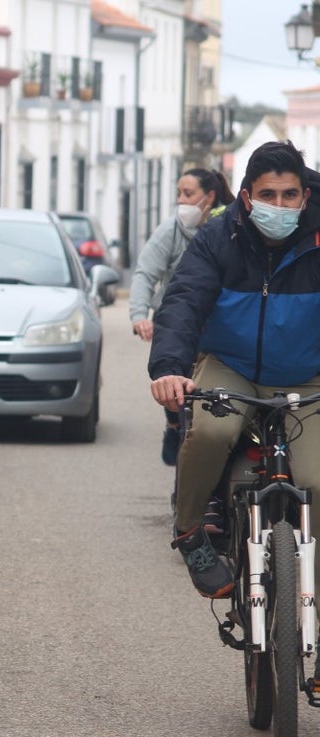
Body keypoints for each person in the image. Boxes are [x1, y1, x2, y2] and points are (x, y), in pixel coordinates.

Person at [149, 140, 320, 599]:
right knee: (209, 434)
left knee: (317, 482)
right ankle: (190, 532)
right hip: (233, 368)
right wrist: (168, 368)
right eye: (268, 195)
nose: (279, 206)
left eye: (289, 196)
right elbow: (184, 300)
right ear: (247, 197)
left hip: (307, 378)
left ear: (305, 196)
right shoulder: (218, 237)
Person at [131, 168, 234, 467]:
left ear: (210, 196)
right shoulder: (171, 230)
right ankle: (174, 426)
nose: (181, 201)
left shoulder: (230, 228)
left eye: (187, 194)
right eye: (178, 193)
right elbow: (145, 273)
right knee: (174, 382)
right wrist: (140, 315)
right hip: (179, 323)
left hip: (218, 325)